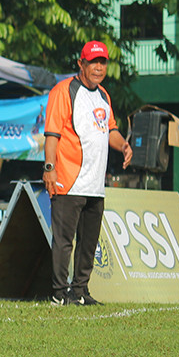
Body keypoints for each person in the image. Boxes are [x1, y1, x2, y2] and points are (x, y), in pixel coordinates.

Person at [43, 40, 132, 306]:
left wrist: (124, 145)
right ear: (81, 64)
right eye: (93, 62)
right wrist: (49, 168)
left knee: (88, 243)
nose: (98, 67)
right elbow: (52, 134)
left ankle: (79, 291)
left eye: (102, 62)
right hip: (68, 181)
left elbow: (110, 131)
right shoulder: (64, 91)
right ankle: (59, 293)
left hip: (95, 184)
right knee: (64, 241)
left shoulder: (104, 96)